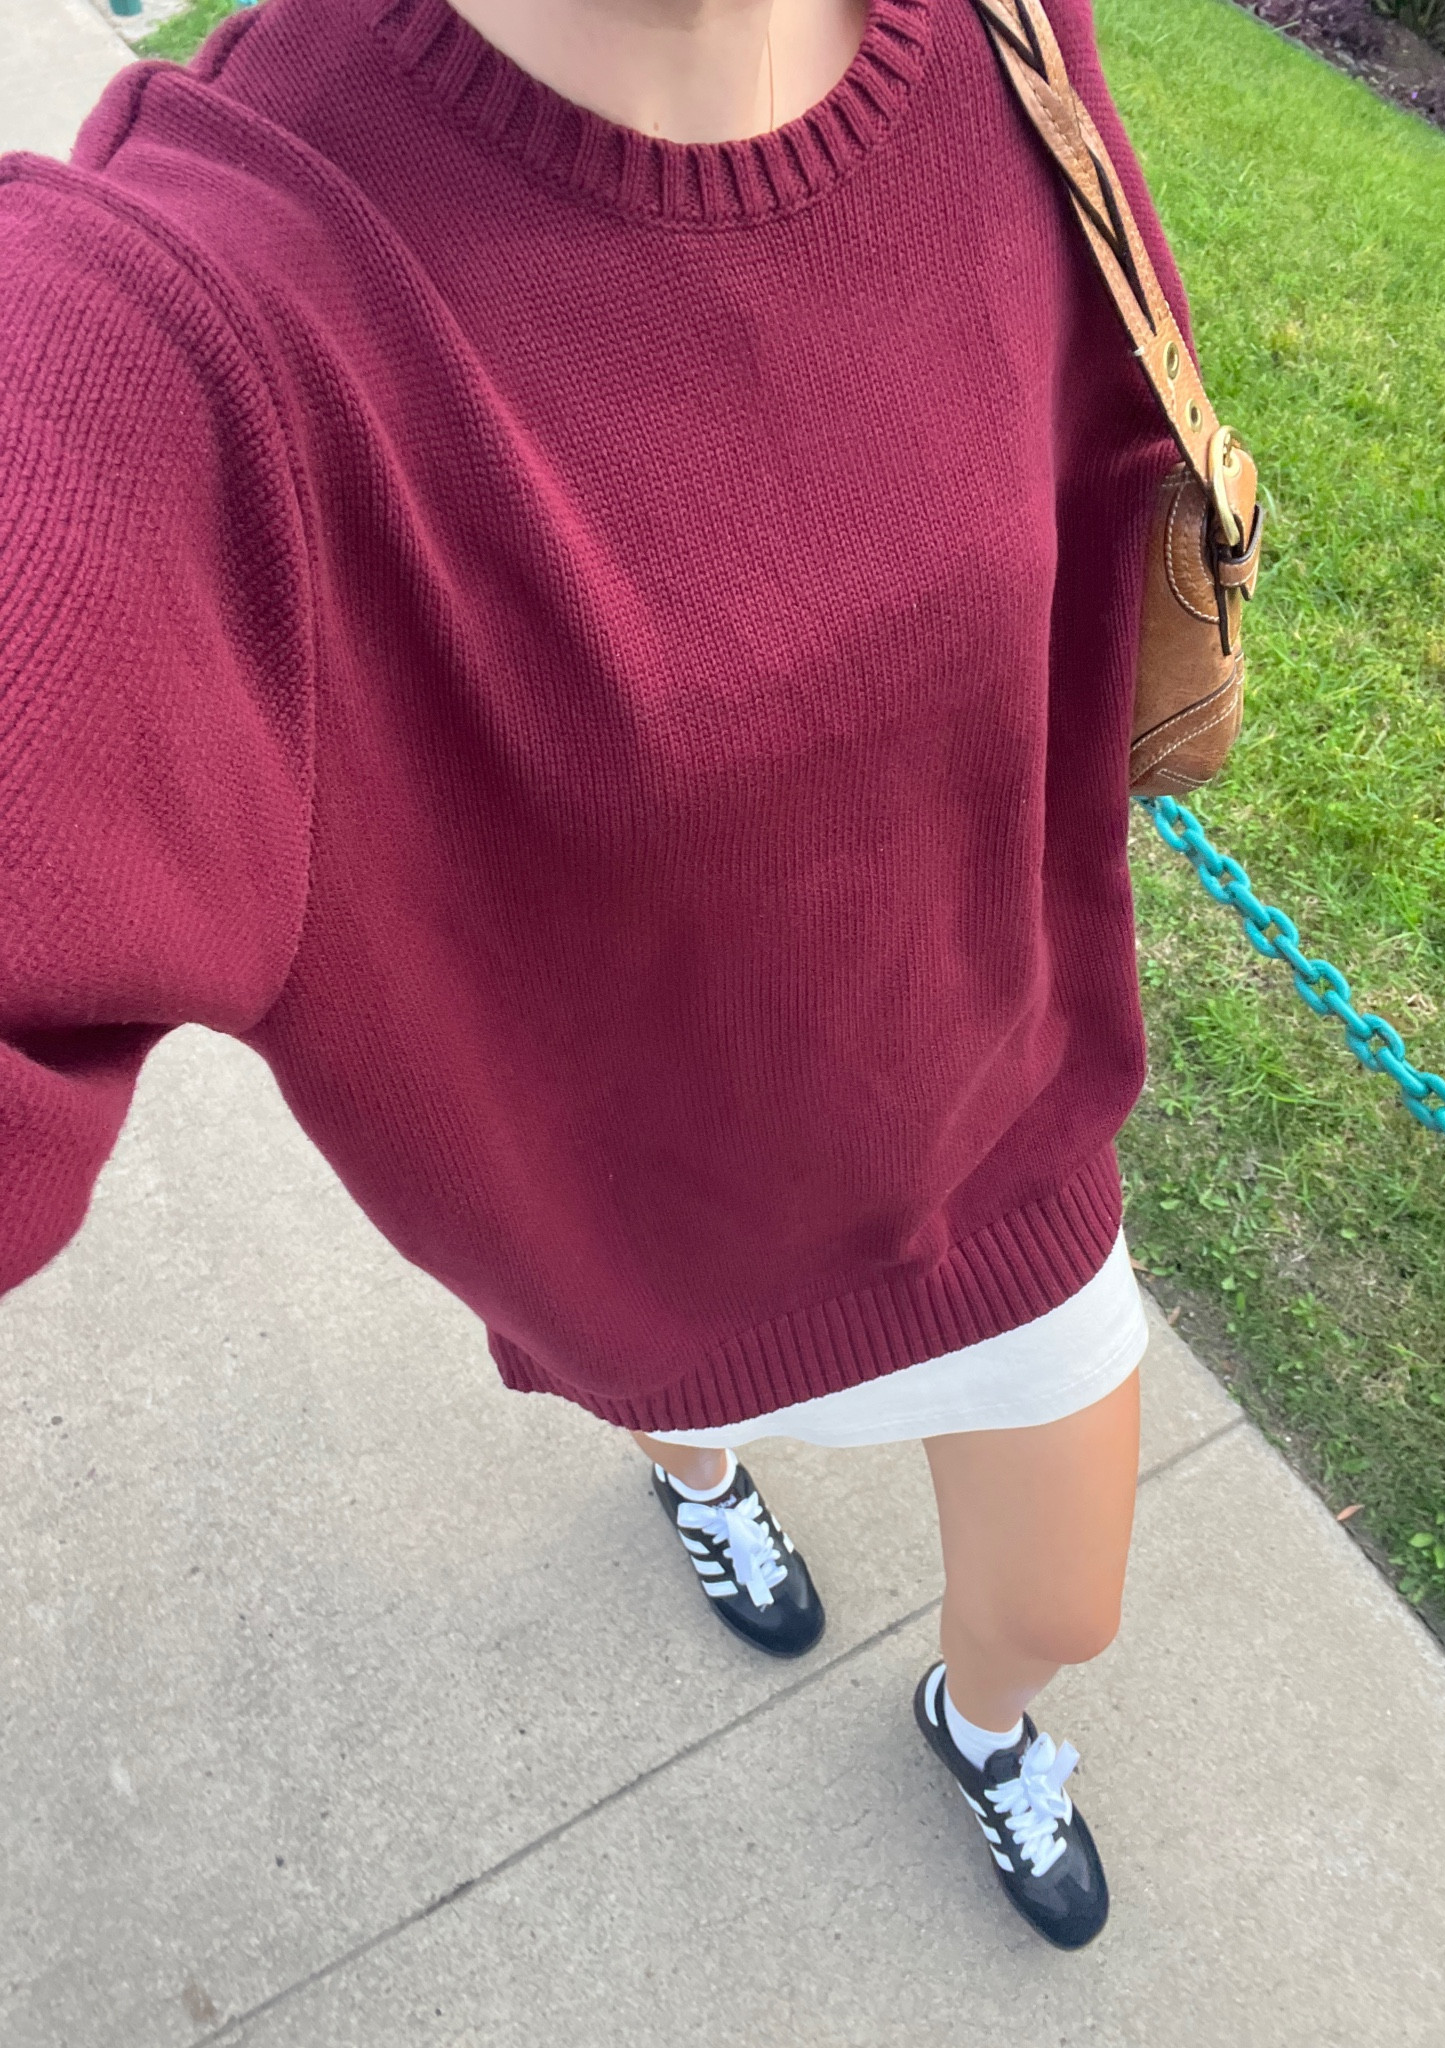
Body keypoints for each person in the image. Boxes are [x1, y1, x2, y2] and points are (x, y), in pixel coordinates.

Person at [0, 0, 1190, 1949]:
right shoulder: (203, 292)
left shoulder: (1011, 39)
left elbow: (1107, 455)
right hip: (642, 1224)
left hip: (1006, 1122)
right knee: (673, 1393)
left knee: (1064, 1599)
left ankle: (986, 1725)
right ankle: (698, 1477)